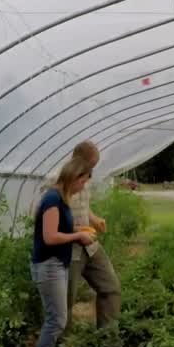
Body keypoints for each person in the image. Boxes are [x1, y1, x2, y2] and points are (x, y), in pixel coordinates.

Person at [29, 155, 96, 347]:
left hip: (56, 264)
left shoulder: (61, 199)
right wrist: (78, 236)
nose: (83, 187)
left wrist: (80, 229)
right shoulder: (52, 199)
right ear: (74, 177)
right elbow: (50, 237)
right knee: (56, 320)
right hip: (49, 265)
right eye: (83, 182)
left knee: (57, 318)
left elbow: (60, 228)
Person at [61, 141, 122, 330]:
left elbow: (83, 208)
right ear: (78, 160)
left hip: (89, 245)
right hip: (67, 250)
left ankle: (107, 338)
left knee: (110, 288)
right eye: (91, 165)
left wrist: (95, 220)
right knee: (65, 302)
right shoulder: (55, 183)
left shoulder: (84, 181)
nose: (92, 171)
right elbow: (43, 220)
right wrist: (75, 231)